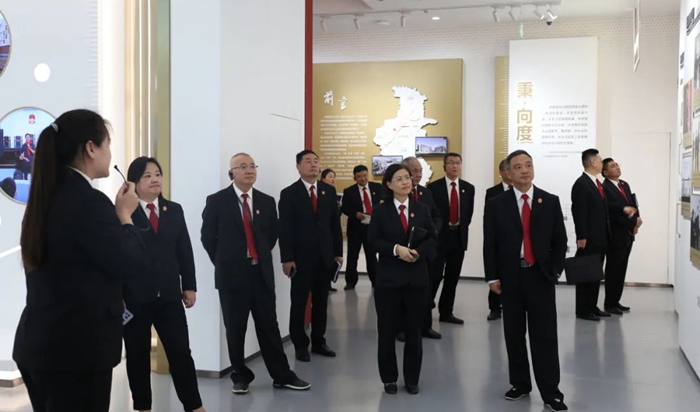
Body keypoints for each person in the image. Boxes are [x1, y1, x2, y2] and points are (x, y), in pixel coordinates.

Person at [12, 109, 146, 412]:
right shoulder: (88, 202)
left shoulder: (48, 196)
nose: (109, 152)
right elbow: (129, 263)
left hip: (41, 342)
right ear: (90, 148)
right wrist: (125, 215)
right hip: (76, 352)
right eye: (107, 144)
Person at [202, 153, 310, 394]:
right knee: (235, 329)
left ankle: (282, 375)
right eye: (242, 166)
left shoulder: (266, 201)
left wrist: (255, 255)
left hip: (260, 273)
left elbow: (271, 235)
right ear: (231, 173)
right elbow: (208, 238)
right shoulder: (217, 201)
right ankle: (240, 376)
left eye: (252, 166)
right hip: (232, 277)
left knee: (269, 326)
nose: (249, 170)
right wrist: (225, 262)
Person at [483, 150, 568, 412]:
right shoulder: (497, 203)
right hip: (511, 277)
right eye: (518, 166)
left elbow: (560, 240)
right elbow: (490, 243)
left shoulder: (549, 201)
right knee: (514, 333)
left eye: (528, 165)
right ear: (508, 173)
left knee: (545, 335)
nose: (524, 170)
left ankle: (551, 392)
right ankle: (520, 383)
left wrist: (554, 271)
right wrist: (492, 276)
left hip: (539, 275)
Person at [124, 156, 206, 412]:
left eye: (157, 174)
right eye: (147, 176)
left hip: (170, 296)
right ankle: (143, 407)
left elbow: (184, 250)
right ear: (134, 182)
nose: (155, 179)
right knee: (137, 355)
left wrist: (189, 285)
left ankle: (194, 406)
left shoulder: (174, 210)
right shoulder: (124, 213)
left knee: (180, 352)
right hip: (135, 298)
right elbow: (118, 256)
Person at [369, 163, 436, 395]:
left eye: (407, 177)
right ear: (389, 184)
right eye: (399, 178)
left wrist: (418, 252)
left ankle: (412, 378)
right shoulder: (380, 211)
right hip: (388, 281)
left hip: (416, 280)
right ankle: (389, 378)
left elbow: (432, 239)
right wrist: (396, 249)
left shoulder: (422, 209)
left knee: (414, 333)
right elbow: (373, 241)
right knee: (387, 331)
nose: (406, 182)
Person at [279, 150, 343, 362]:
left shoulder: (328, 191)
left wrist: (338, 253)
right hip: (300, 259)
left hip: (325, 258)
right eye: (308, 161)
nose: (313, 164)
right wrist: (287, 258)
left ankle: (318, 341)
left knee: (321, 302)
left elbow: (335, 225)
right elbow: (285, 229)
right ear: (298, 167)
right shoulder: (289, 193)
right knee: (299, 303)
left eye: (316, 161)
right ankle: (300, 344)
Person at [427, 152, 475, 325]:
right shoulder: (433, 188)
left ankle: (446, 312)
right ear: (444, 166)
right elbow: (431, 214)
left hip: (458, 237)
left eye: (458, 162)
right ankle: (425, 311)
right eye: (451, 162)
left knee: (452, 276)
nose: (455, 166)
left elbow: (468, 214)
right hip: (440, 237)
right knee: (434, 275)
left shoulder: (468, 188)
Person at [398, 156, 442, 340]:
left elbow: (436, 215)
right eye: (415, 171)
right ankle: (402, 328)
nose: (418, 174)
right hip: (404, 252)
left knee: (426, 290)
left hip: (424, 251)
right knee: (404, 291)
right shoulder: (398, 194)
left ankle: (425, 326)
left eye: (420, 171)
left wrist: (434, 230)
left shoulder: (425, 193)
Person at [571, 148, 615, 321]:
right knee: (586, 274)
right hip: (589, 239)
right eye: (600, 160)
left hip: (600, 238)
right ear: (592, 162)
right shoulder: (581, 184)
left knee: (595, 274)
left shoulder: (596, 183)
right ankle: (583, 309)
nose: (602, 163)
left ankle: (592, 306)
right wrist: (581, 236)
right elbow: (579, 212)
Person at [601, 158, 641, 315]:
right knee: (613, 270)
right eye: (612, 166)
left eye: (617, 165)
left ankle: (616, 300)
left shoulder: (624, 184)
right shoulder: (605, 188)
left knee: (622, 269)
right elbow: (613, 212)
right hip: (616, 235)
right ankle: (609, 303)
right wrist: (632, 222)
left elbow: (634, 204)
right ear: (605, 172)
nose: (617, 168)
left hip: (628, 234)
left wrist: (636, 221)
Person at [341, 164, 381, 290]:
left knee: (371, 256)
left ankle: (375, 281)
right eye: (359, 177)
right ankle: (350, 282)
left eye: (364, 175)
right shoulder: (349, 191)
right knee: (352, 256)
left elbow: (384, 201)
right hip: (355, 228)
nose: (363, 179)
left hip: (371, 228)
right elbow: (344, 208)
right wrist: (355, 214)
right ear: (355, 178)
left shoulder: (376, 187)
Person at [484, 159, 513, 321]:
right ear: (501, 173)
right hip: (499, 238)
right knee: (496, 273)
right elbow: (488, 217)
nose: (510, 173)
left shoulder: (520, 190)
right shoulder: (492, 192)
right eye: (506, 170)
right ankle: (495, 308)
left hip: (516, 240)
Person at [321, 168, 339, 292]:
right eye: (330, 177)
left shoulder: (332, 192)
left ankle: (328, 283)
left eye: (334, 177)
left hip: (330, 234)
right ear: (323, 178)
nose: (332, 179)